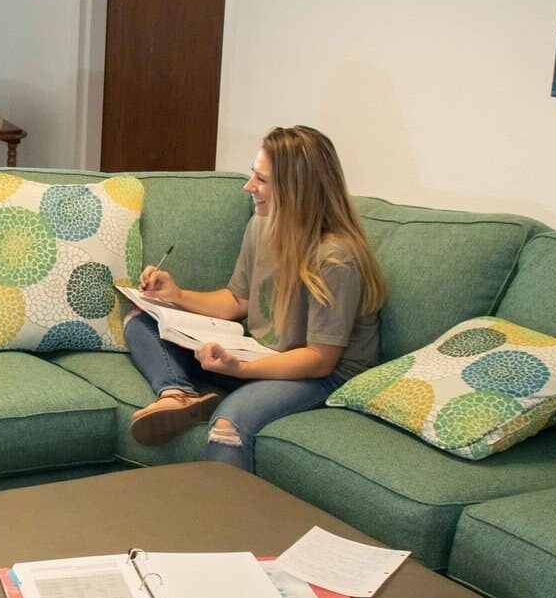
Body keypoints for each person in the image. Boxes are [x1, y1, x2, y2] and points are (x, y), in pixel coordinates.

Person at [124, 125, 386, 473]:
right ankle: (177, 394)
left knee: (227, 427)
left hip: (322, 375)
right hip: (263, 353)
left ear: (297, 190)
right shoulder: (261, 226)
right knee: (141, 321)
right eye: (253, 175)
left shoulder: (334, 258)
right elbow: (236, 301)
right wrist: (176, 295)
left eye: (261, 180)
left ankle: (227, 527)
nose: (249, 187)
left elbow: (320, 360)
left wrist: (240, 368)